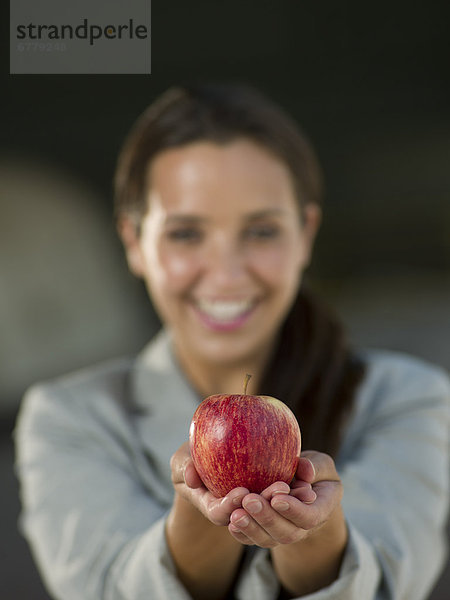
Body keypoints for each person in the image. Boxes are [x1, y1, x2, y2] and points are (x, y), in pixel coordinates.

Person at [15, 83, 450, 600]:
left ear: (305, 235)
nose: (225, 275)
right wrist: (198, 518)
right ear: (134, 243)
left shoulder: (406, 397)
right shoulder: (70, 418)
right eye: (185, 234)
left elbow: (391, 584)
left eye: (262, 231)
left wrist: (312, 537)